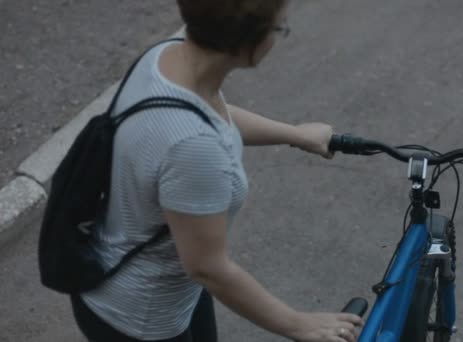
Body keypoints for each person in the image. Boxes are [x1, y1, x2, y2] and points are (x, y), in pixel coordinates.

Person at [69, 1, 363, 341]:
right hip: (140, 318)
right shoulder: (193, 149)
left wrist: (295, 135)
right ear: (247, 43)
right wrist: (298, 324)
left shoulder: (167, 57)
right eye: (279, 28)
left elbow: (210, 111)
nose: (280, 36)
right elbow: (208, 268)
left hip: (163, 287)